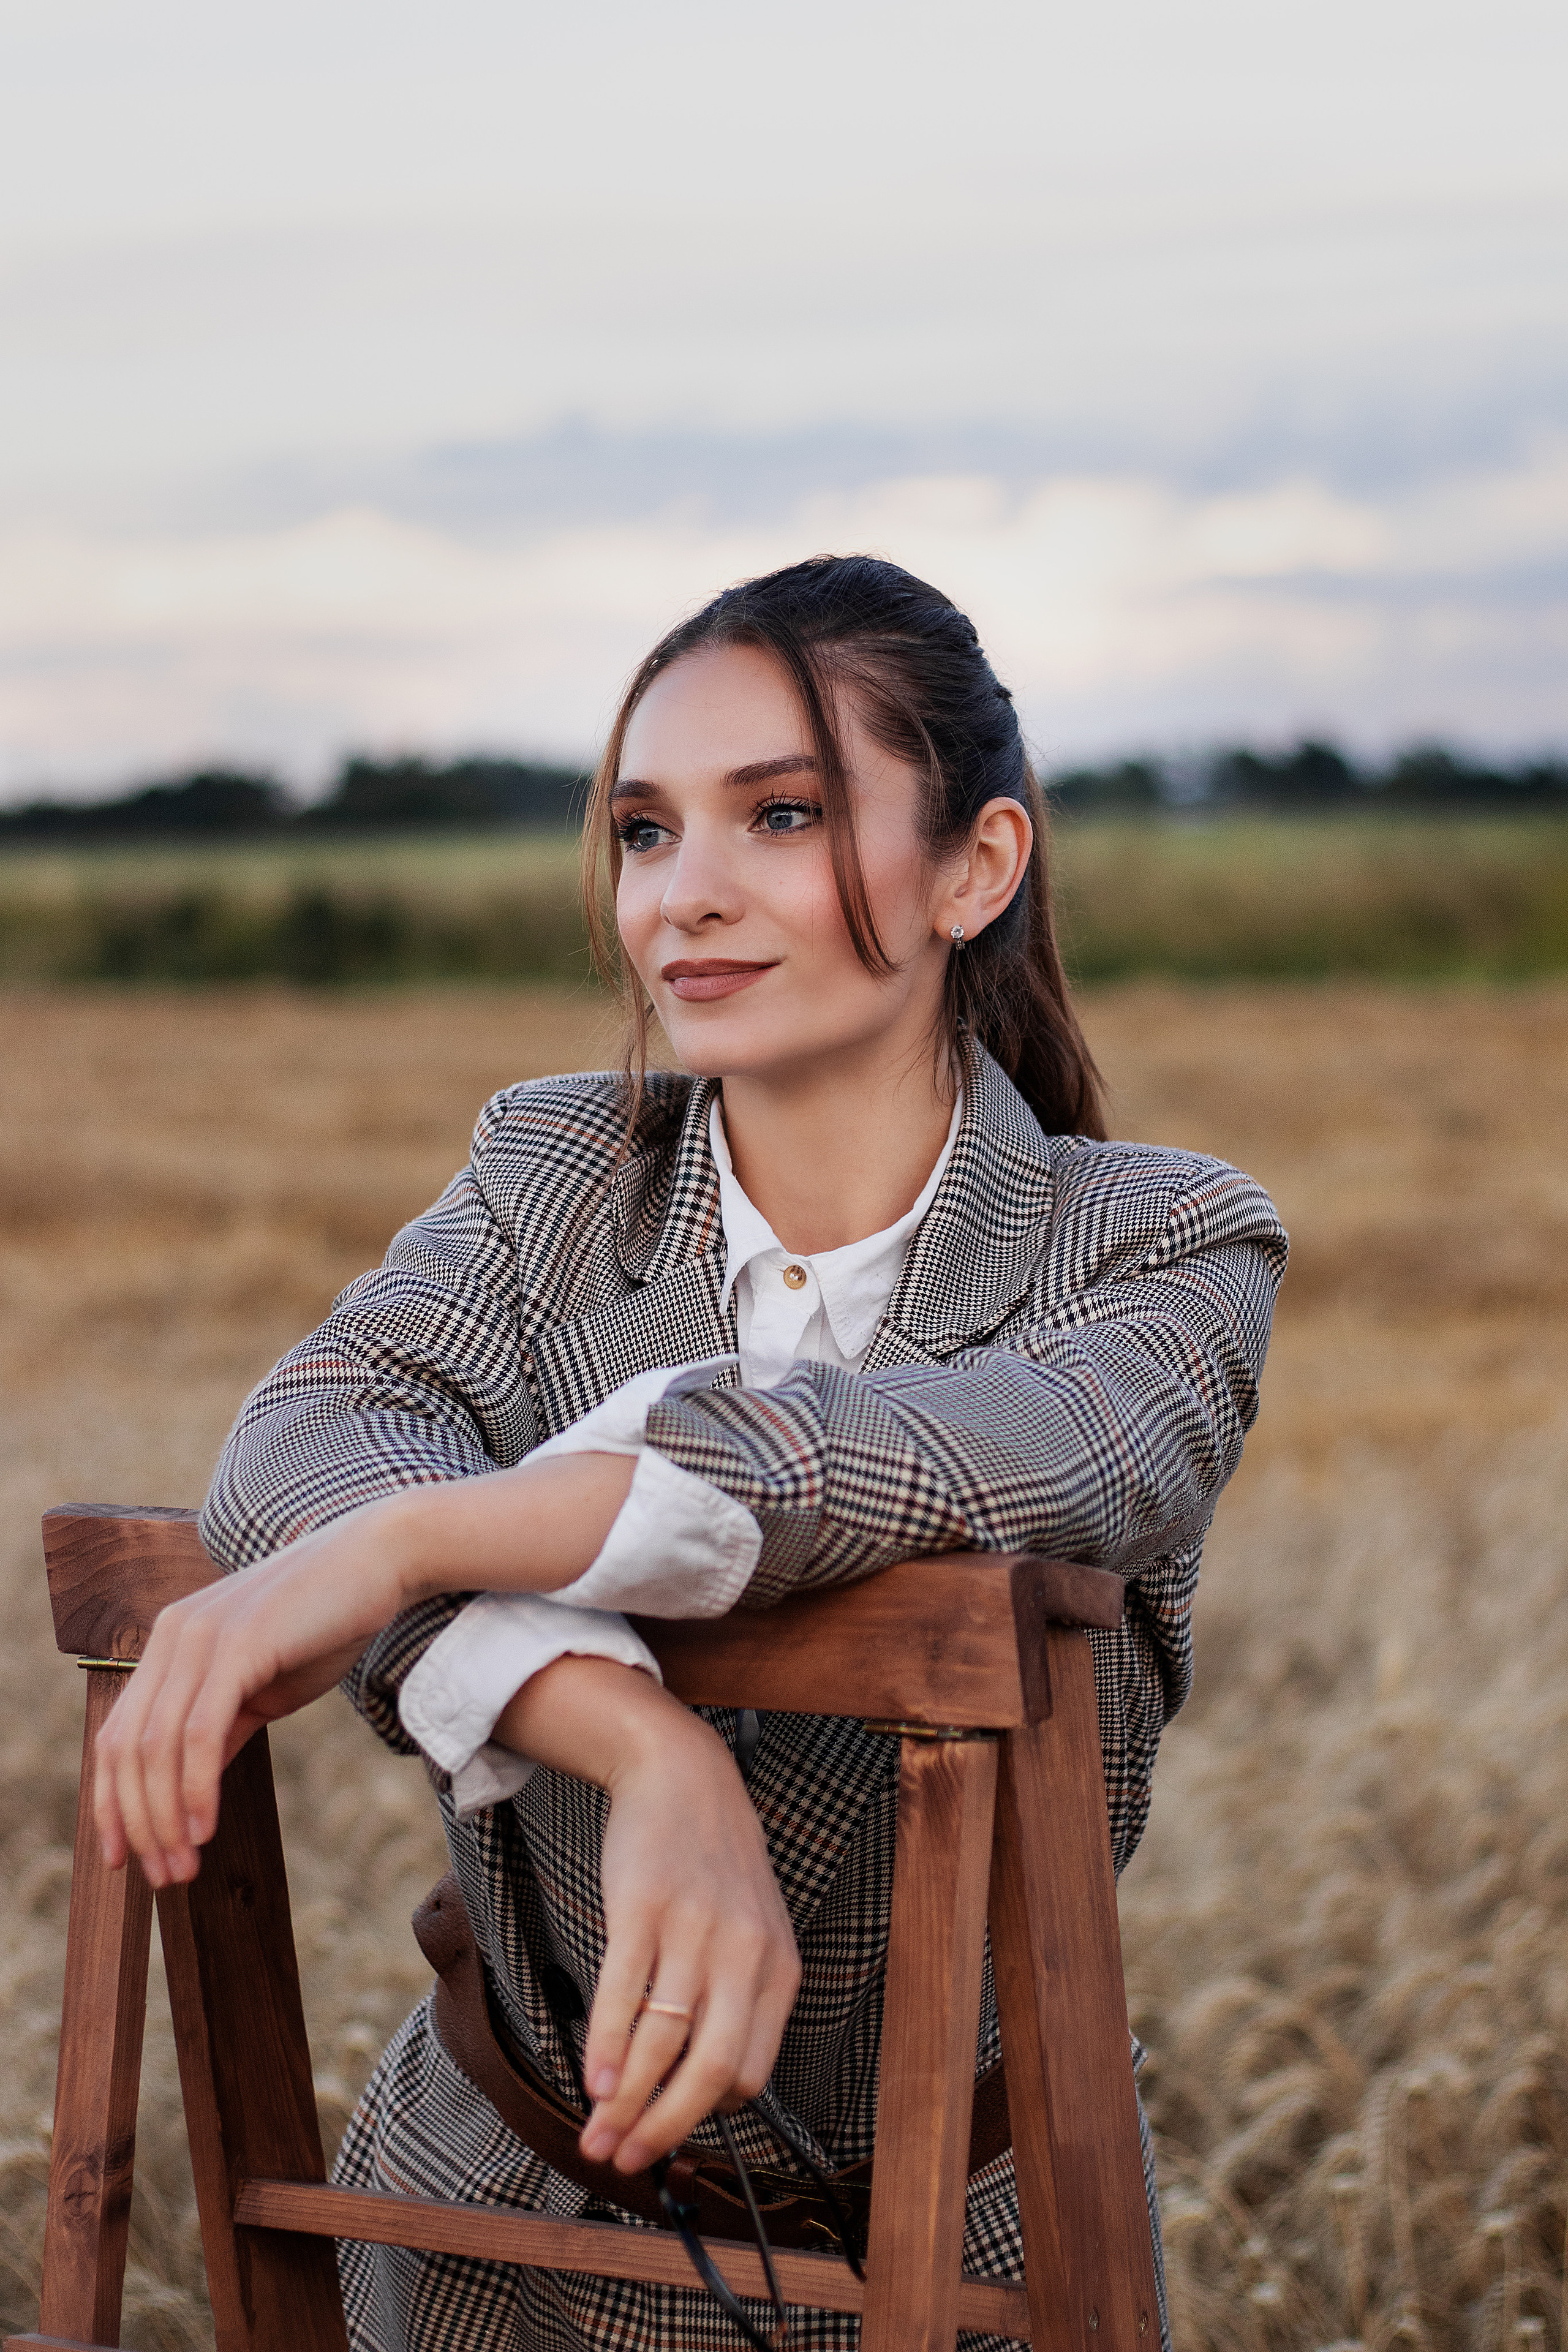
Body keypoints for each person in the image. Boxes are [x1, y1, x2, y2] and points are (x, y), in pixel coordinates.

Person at [93, 555, 1287, 2351]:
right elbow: (305, 1441)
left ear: (980, 865)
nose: (686, 901)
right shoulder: (555, 1171)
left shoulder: (1162, 1249)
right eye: (646, 832)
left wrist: (422, 1547)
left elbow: (942, 1462)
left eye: (782, 816)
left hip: (965, 2269)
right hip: (486, 2227)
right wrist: (632, 1737)